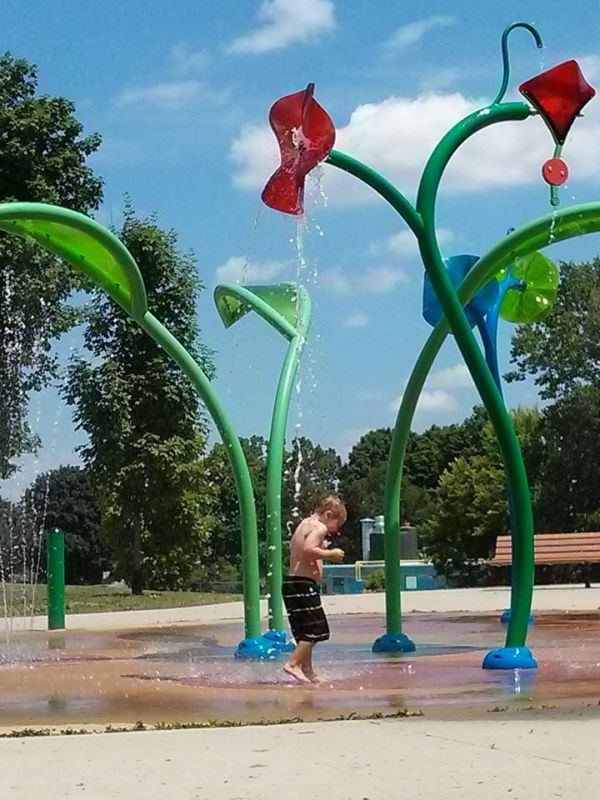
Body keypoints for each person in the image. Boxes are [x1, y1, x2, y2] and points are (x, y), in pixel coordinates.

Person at [281, 495, 346, 684]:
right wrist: (329, 554)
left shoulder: (304, 524)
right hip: (303, 583)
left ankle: (307, 670)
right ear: (328, 515)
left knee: (304, 632)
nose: (336, 531)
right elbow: (308, 549)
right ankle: (293, 664)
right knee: (316, 629)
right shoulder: (320, 527)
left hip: (292, 583)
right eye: (337, 524)